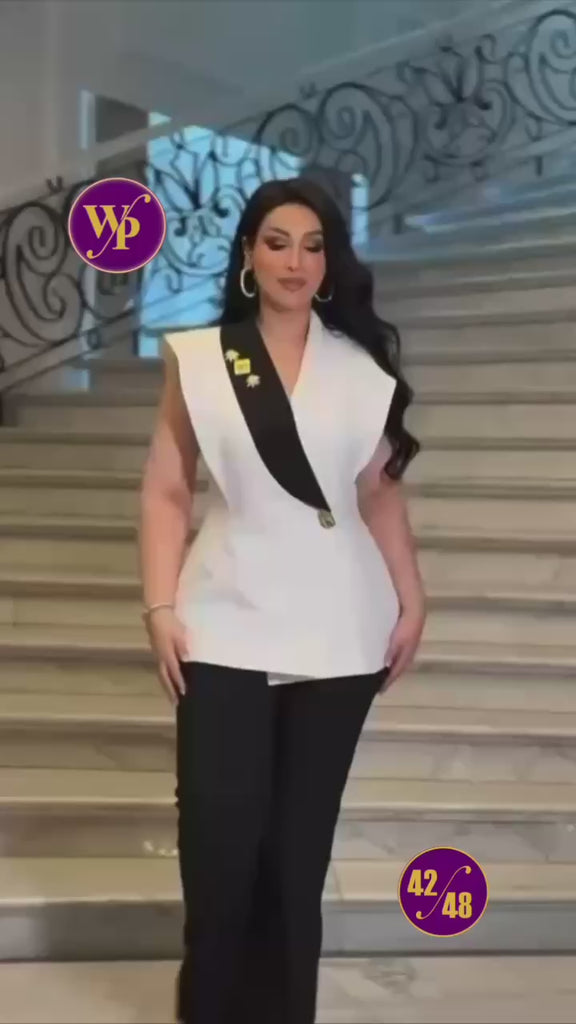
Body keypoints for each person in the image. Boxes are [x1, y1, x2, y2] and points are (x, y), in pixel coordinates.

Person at [138, 176, 425, 1024]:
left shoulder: (360, 372)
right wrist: (159, 606)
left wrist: (412, 600)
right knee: (219, 845)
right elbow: (166, 487)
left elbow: (378, 495)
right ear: (248, 256)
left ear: (329, 264)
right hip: (223, 619)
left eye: (312, 246)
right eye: (276, 243)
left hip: (341, 629)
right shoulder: (202, 358)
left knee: (298, 862)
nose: (294, 262)